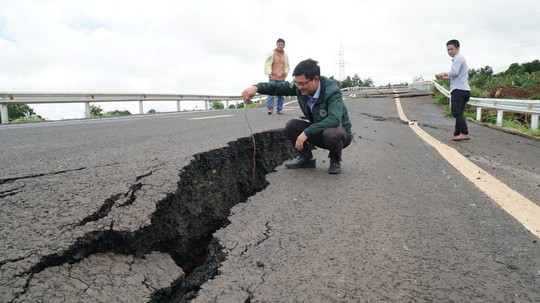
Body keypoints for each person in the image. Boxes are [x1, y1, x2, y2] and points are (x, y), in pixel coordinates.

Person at [242, 58, 352, 174]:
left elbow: (334, 120)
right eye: (297, 83)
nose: (299, 87)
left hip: (339, 134)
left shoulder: (332, 91)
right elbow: (277, 87)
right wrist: (256, 87)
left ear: (315, 79)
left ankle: (335, 160)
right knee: (291, 125)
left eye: (302, 84)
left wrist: (306, 132)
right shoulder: (299, 87)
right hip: (318, 131)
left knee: (331, 133)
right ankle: (307, 159)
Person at [435, 39, 471, 141]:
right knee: (459, 113)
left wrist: (442, 73)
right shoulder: (459, 59)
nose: (449, 51)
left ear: (458, 48)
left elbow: (453, 73)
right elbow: (454, 76)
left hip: (459, 90)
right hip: (464, 90)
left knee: (456, 113)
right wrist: (442, 77)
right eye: (448, 50)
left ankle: (464, 133)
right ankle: (457, 133)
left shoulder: (458, 58)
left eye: (451, 49)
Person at [264, 38, 289, 115]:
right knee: (271, 94)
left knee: (281, 95)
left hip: (281, 78)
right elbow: (267, 64)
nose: (280, 46)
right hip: (273, 77)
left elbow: (287, 66)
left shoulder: (285, 55)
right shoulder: (272, 54)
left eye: (282, 44)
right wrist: (268, 72)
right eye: (279, 44)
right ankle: (270, 108)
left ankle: (279, 110)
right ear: (276, 45)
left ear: (284, 46)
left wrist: (286, 72)